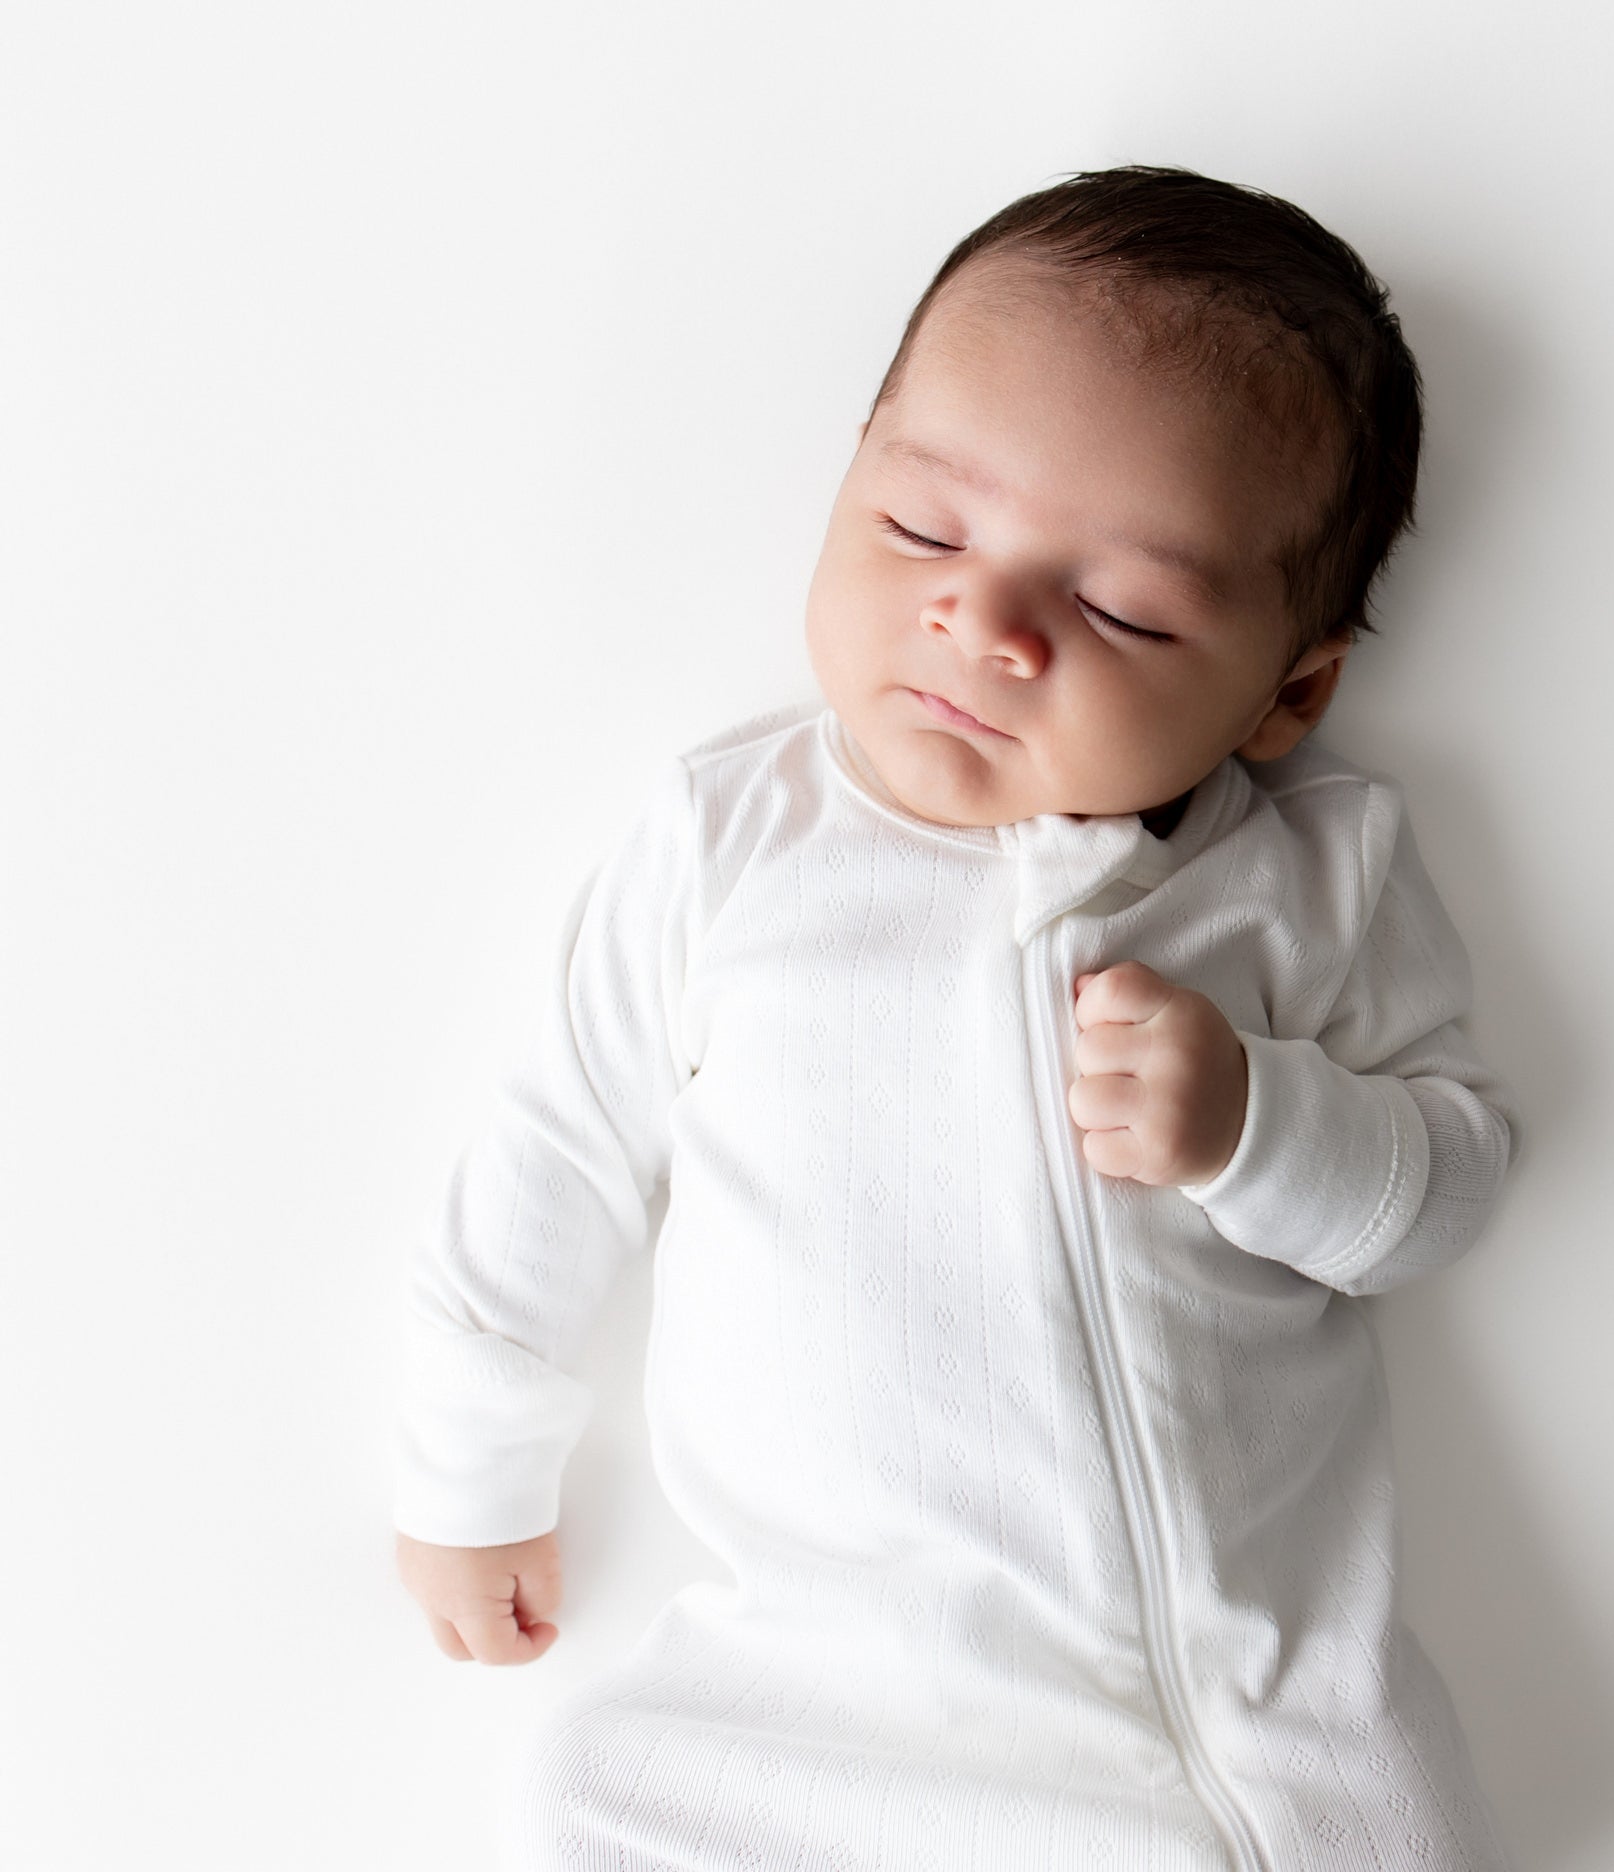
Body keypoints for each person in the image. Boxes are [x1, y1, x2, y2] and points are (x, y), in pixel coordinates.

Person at [393, 164, 1521, 1871]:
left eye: (1122, 609)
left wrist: (1260, 1124)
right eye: (923, 528)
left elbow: (1449, 1182)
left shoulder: (1311, 874)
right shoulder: (733, 842)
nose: (981, 621)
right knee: (584, 1798)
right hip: (814, 1704)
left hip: (1236, 1729)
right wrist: (470, 1469)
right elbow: (560, 1146)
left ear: (1287, 691)